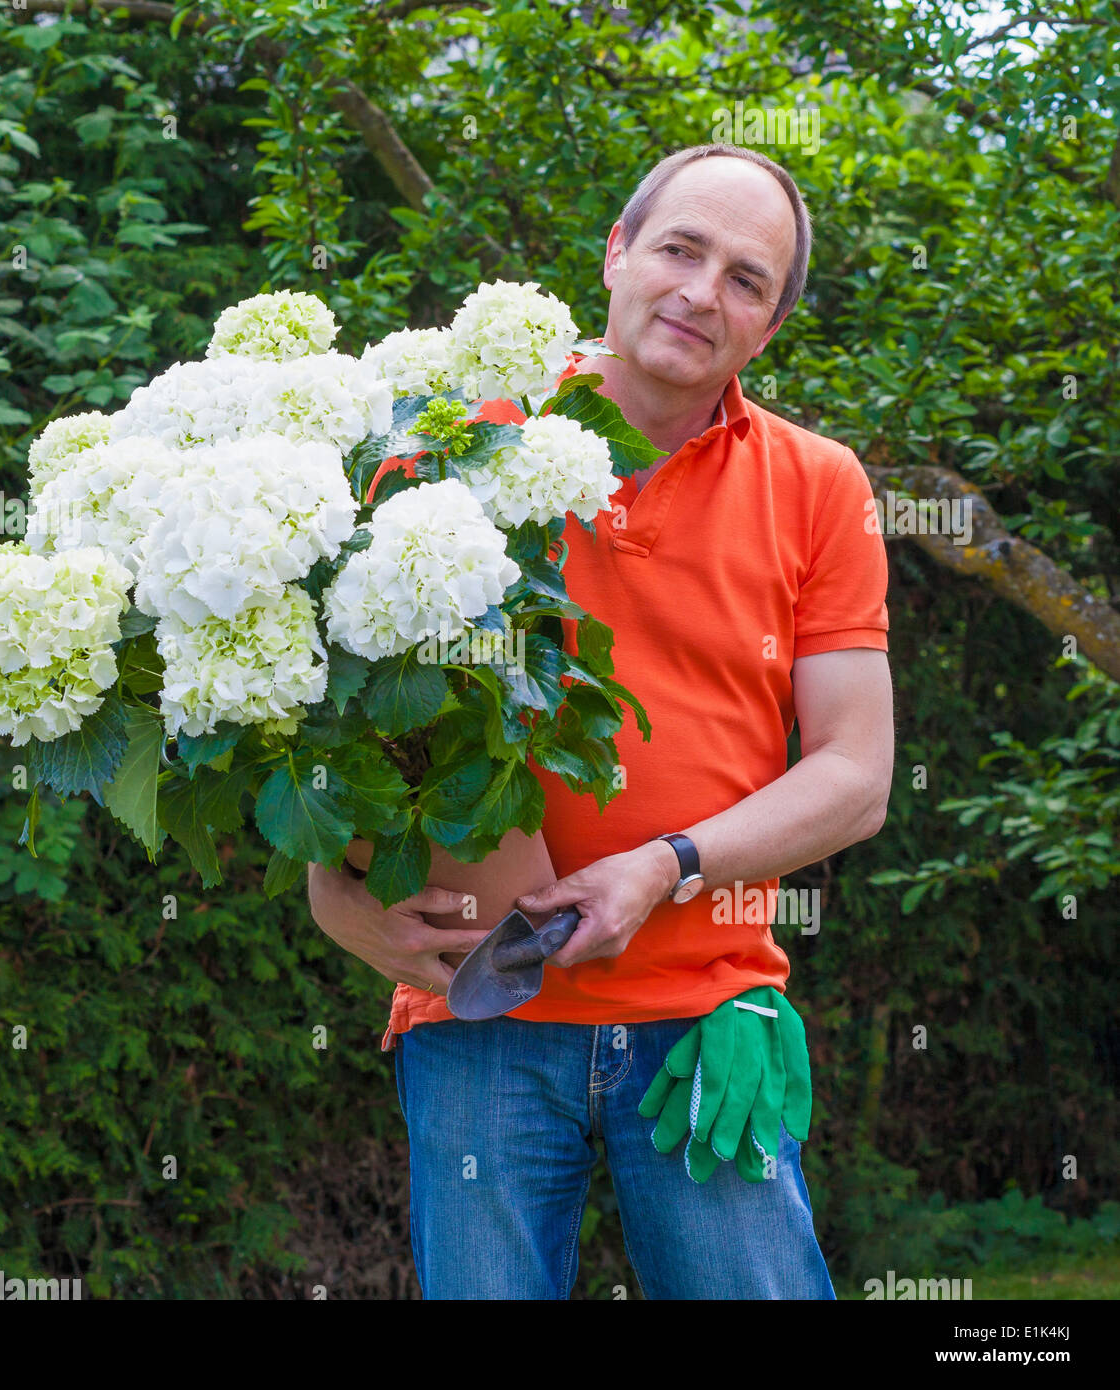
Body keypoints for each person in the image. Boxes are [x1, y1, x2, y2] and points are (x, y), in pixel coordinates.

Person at [307, 141, 895, 1299]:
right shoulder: (452, 444)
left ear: (768, 327)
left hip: (709, 1014)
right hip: (478, 1004)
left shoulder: (820, 484)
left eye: (746, 279)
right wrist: (335, 895)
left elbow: (856, 773)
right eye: (681, 248)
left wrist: (665, 866)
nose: (701, 291)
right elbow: (337, 717)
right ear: (618, 252)